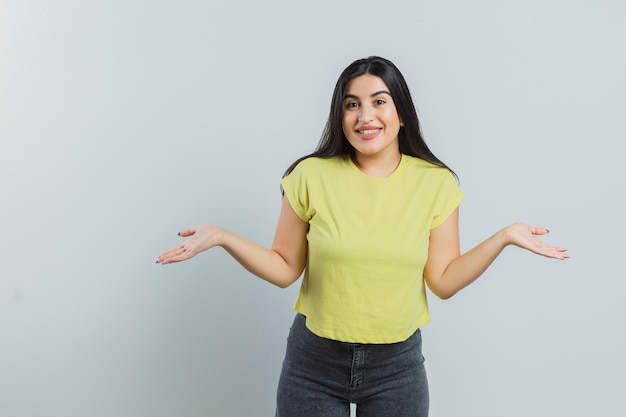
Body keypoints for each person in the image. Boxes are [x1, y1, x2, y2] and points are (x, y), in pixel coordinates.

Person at [156, 56, 568, 417]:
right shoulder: (310, 176)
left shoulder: (436, 184)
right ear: (340, 115)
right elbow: (284, 269)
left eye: (379, 101)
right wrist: (223, 237)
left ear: (401, 113)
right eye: (352, 104)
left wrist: (503, 238)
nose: (364, 116)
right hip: (313, 363)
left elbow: (443, 281)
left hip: (397, 368)